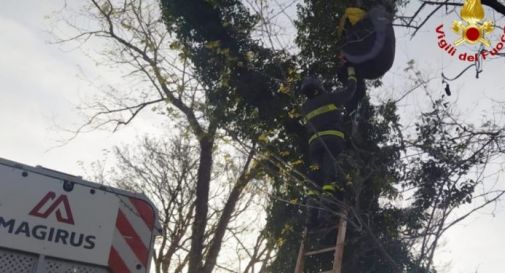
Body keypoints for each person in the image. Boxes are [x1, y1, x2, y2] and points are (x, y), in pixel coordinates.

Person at [300, 66, 360, 227]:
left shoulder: (304, 108)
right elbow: (350, 91)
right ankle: (323, 215)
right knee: (329, 178)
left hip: (314, 145)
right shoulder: (329, 98)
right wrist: (352, 73)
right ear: (319, 87)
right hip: (333, 141)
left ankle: (309, 217)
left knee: (314, 180)